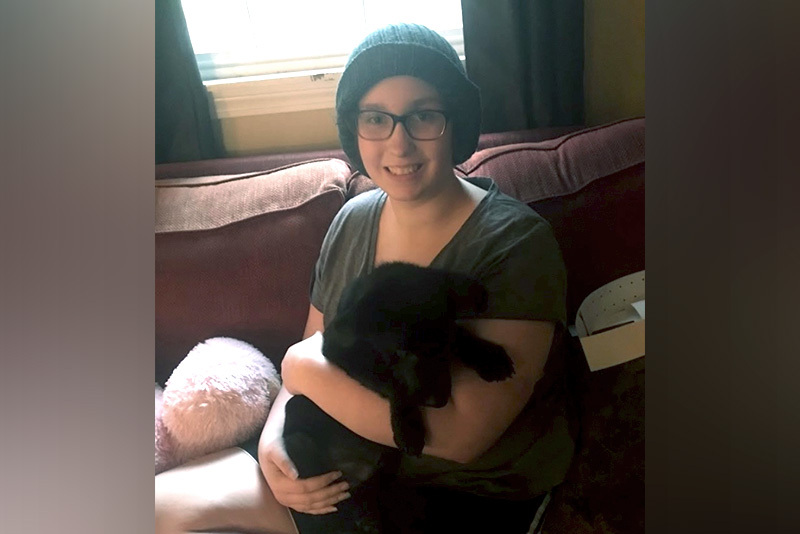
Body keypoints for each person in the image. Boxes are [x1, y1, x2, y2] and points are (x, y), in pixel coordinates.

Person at [155, 23, 575, 534]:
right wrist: (272, 447)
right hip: (347, 455)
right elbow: (311, 352)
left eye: (423, 116)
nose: (399, 144)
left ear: (456, 123)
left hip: (467, 489)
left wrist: (299, 368)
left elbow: (460, 435)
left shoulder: (515, 242)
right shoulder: (354, 220)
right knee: (161, 507)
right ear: (355, 130)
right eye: (376, 118)